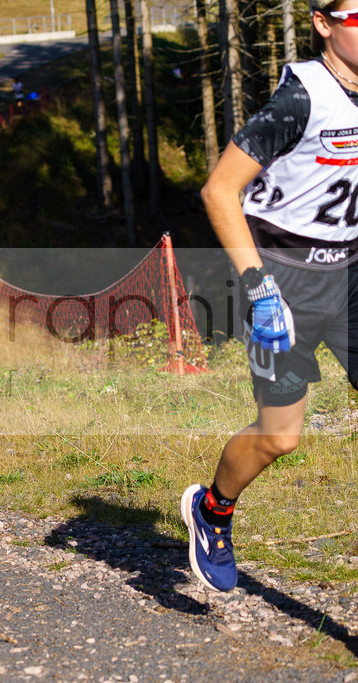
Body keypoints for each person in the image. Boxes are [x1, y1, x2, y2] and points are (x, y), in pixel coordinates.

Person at [182, 0, 358, 593]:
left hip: (351, 273)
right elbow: (218, 190)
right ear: (323, 23)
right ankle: (213, 509)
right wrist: (258, 290)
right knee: (280, 437)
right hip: (283, 279)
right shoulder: (302, 96)